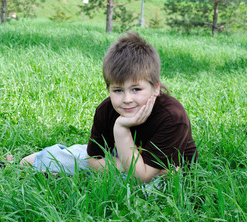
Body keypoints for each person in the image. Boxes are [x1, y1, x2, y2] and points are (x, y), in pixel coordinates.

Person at [20, 31, 198, 183]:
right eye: (118, 90)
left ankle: (65, 179)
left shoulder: (172, 116)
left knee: (151, 186)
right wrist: (121, 161)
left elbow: (140, 177)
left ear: (156, 87)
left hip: (161, 170)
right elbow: (93, 160)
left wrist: (120, 130)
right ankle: (18, 162)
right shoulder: (105, 110)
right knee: (68, 158)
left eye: (136, 89)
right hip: (125, 158)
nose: (127, 99)